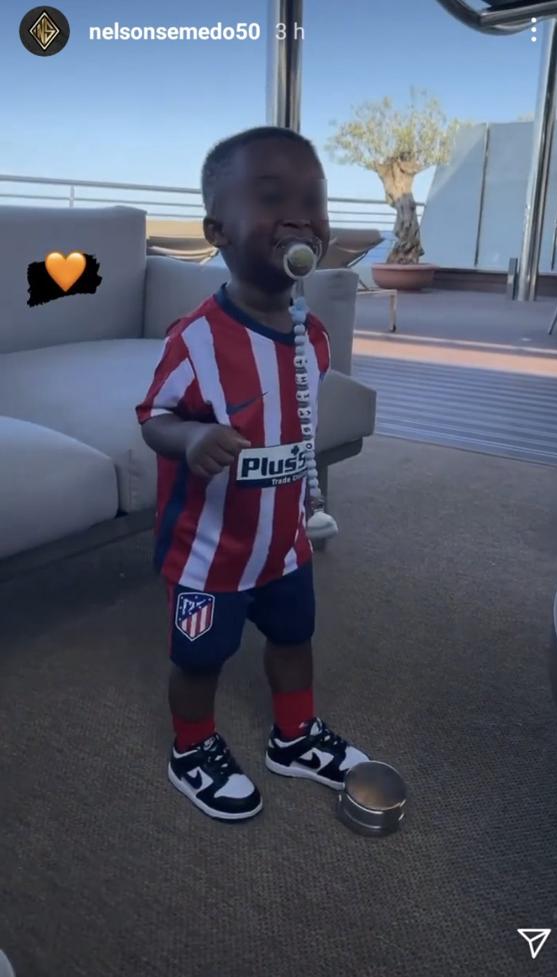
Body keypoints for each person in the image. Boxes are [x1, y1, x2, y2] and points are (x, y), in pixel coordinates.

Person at [136, 126, 369, 822]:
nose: (300, 213)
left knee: (296, 639)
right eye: (272, 197)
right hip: (210, 551)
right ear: (217, 230)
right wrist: (193, 435)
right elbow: (154, 415)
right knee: (200, 656)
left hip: (284, 544)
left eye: (313, 198)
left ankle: (293, 736)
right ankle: (192, 745)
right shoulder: (196, 339)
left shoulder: (314, 338)